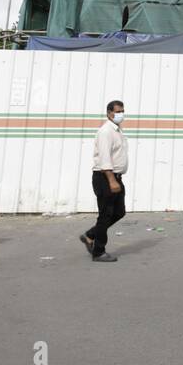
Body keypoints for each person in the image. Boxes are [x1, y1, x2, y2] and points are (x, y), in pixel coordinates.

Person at [80, 100, 128, 262]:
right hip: (106, 177)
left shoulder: (117, 130)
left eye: (122, 111)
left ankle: (90, 235)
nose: (120, 114)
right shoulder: (106, 131)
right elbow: (105, 158)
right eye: (117, 111)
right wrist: (111, 180)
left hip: (115, 177)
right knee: (105, 215)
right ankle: (98, 252)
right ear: (109, 113)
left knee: (119, 212)